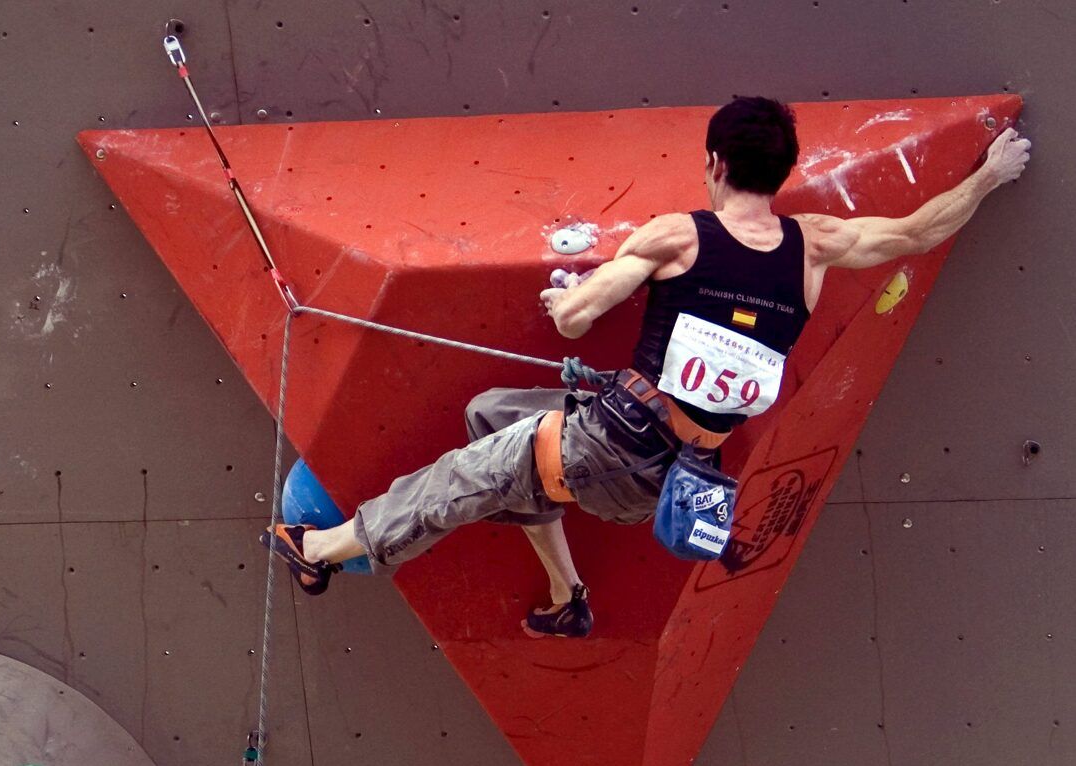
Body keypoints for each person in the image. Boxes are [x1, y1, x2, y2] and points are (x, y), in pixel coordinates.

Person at [262, 98, 1031, 637]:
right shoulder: (815, 245)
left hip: (605, 450)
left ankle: (320, 549)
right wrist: (988, 175)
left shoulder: (677, 237)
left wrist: (572, 294)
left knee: (456, 480)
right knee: (494, 414)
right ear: (779, 171)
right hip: (676, 477)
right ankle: (569, 596)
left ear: (715, 165)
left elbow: (570, 319)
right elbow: (916, 231)